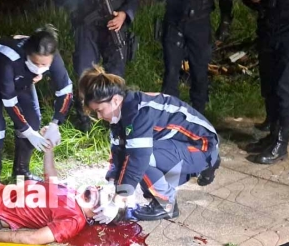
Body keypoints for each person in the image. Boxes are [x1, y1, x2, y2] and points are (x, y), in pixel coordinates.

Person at [78, 65, 221, 222]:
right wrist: (112, 184)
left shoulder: (140, 113)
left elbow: (137, 159)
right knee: (133, 158)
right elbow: (117, 151)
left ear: (115, 100)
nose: (98, 116)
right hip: (179, 145)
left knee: (141, 159)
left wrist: (117, 201)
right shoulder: (120, 113)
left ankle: (166, 204)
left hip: (203, 147)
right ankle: (179, 180)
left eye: (99, 110)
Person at [0, 127, 117, 245]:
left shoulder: (73, 221)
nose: (99, 188)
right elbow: (51, 177)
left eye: (104, 196)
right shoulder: (74, 194)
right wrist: (49, 150)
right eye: (100, 188)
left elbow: (31, 238)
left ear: (97, 214)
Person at [0, 24, 73, 182]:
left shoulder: (53, 56)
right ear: (28, 54)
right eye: (36, 63)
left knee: (33, 119)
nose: (39, 68)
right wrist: (28, 132)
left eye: (44, 65)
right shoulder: (10, 59)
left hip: (21, 73)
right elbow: (9, 100)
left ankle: (21, 172)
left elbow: (65, 90)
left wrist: (55, 123)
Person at [244, 0, 289, 164]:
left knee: (285, 86)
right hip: (270, 24)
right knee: (270, 83)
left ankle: (281, 143)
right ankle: (272, 135)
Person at [69, 0, 138, 132]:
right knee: (84, 72)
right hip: (86, 24)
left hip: (114, 24)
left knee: (115, 75)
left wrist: (124, 14)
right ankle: (84, 121)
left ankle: (116, 121)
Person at [161, 0, 215, 115]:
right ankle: (170, 115)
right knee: (171, 71)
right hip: (174, 21)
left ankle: (199, 115)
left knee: (199, 71)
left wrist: (226, 19)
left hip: (200, 20)